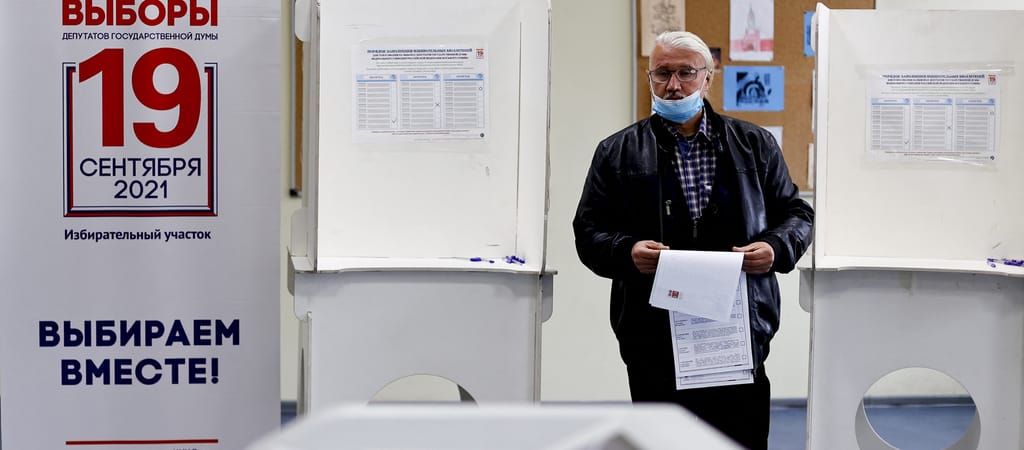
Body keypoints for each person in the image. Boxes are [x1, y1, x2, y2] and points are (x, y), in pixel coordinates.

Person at [572, 31, 813, 450]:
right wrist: (627, 250)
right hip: (652, 333)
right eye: (662, 73)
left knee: (740, 440)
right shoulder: (617, 151)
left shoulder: (755, 144)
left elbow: (797, 214)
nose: (674, 85)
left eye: (686, 72)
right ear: (649, 78)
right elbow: (588, 230)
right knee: (659, 443)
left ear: (708, 77)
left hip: (738, 333)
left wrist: (775, 248)